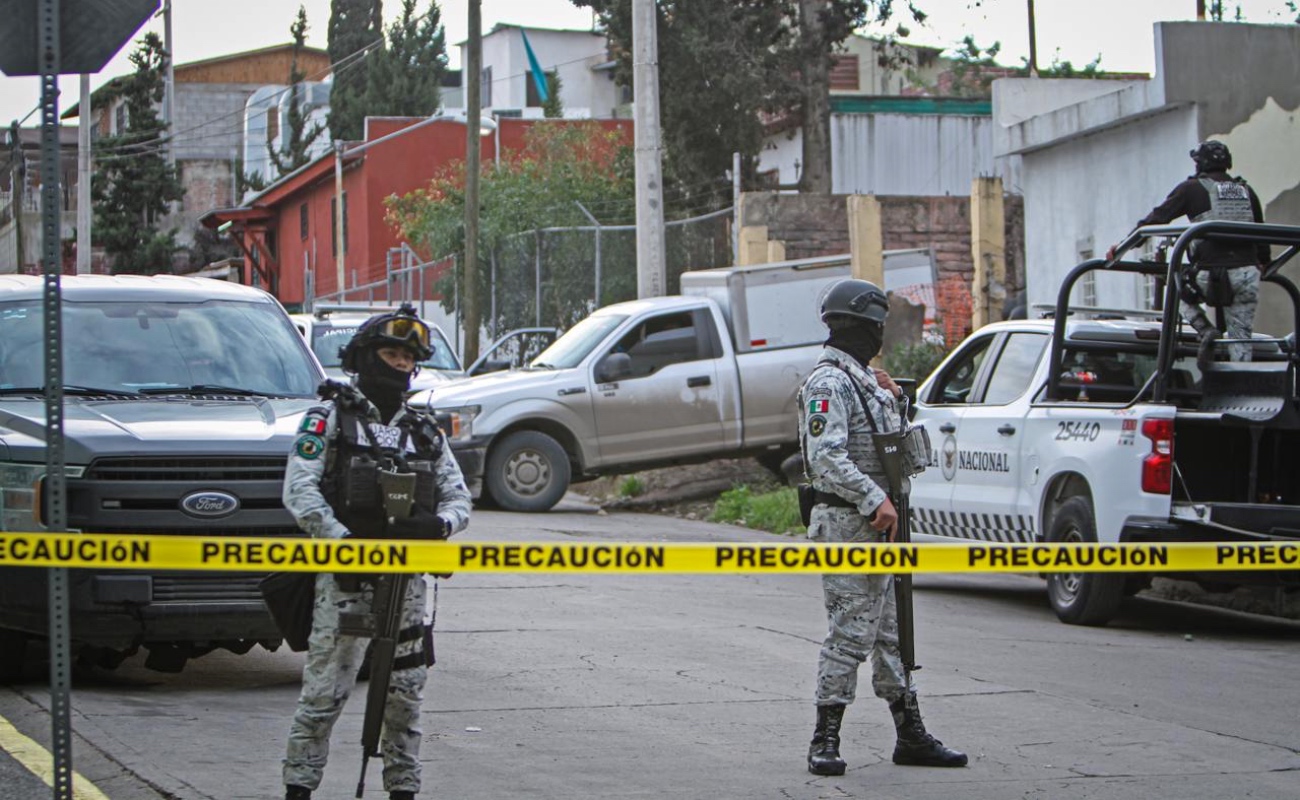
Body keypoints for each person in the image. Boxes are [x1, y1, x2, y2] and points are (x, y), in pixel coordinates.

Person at [281, 305, 472, 800]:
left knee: (405, 703)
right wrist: (343, 543)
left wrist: (439, 525)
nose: (400, 366)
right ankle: (298, 790)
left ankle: (402, 792)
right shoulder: (327, 418)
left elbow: (458, 497)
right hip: (345, 584)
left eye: (409, 358)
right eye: (390, 354)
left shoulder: (424, 430)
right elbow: (300, 492)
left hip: (408, 589)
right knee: (324, 698)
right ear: (365, 358)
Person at [798, 279, 967, 775]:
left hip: (885, 522)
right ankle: (824, 736)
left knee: (894, 632)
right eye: (877, 327)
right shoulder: (828, 383)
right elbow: (824, 457)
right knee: (850, 631)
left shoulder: (867, 381)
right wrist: (875, 499)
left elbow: (905, 455)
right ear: (861, 327)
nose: (880, 336)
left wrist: (896, 402)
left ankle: (909, 733)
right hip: (849, 522)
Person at [1109, 140, 1268, 366]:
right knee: (1240, 336)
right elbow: (1260, 234)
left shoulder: (1190, 188)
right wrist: (1265, 263)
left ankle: (1205, 331)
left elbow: (1157, 219)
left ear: (1200, 164)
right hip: (1246, 273)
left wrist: (1123, 246)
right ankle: (1241, 380)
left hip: (1208, 274)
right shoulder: (1246, 190)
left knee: (1177, 292)